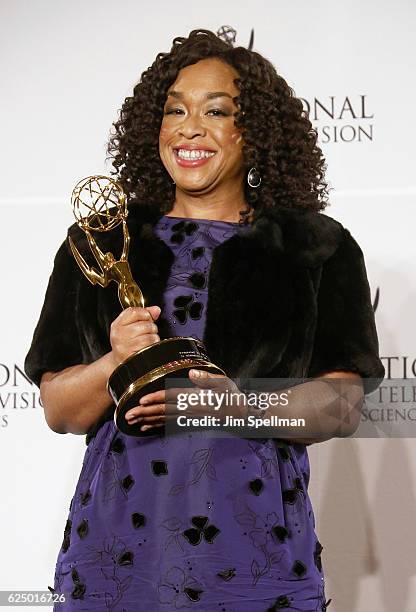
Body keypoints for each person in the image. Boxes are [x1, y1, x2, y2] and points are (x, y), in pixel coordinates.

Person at [24, 29, 384, 612]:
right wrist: (117, 362)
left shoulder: (315, 247)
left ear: (255, 131)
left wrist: (233, 404)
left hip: (257, 552)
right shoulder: (100, 241)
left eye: (216, 111)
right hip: (117, 554)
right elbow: (60, 410)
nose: (190, 128)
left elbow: (341, 405)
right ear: (154, 128)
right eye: (175, 111)